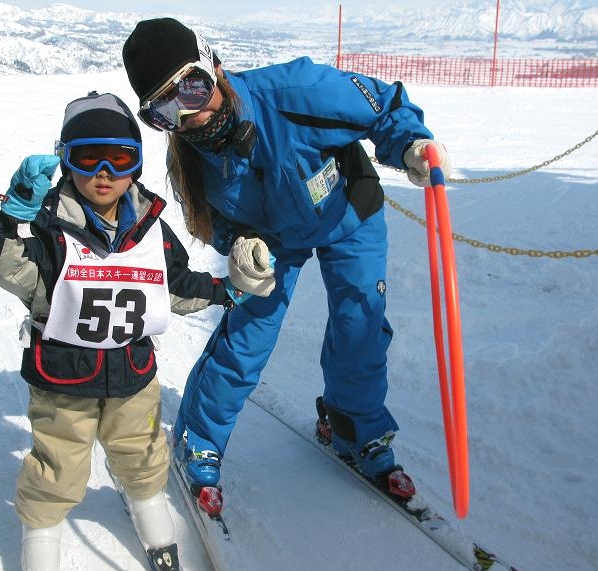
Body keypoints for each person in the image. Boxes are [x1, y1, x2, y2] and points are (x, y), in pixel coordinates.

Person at [121, 18, 452, 509]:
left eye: (192, 88)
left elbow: (384, 106)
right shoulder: (192, 160)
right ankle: (201, 438)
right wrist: (239, 243)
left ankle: (354, 429)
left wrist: (410, 144)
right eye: (164, 112)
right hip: (274, 235)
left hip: (348, 213)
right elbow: (215, 219)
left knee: (359, 324)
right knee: (249, 332)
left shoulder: (296, 92)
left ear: (214, 65)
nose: (189, 116)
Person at [0, 91, 252, 571]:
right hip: (62, 381)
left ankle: (151, 517)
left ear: (136, 165)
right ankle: (41, 538)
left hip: (133, 376)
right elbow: (1, 264)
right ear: (66, 159)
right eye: (87, 157)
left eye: (120, 159)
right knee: (58, 466)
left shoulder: (149, 228)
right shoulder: (47, 224)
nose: (104, 172)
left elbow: (175, 287)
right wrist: (15, 214)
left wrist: (226, 290)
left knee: (143, 455)